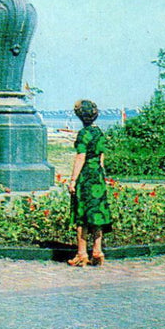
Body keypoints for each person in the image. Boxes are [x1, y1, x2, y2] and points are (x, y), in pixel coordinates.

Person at [67, 99, 112, 267]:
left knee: (82, 215)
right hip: (97, 177)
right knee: (97, 213)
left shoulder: (84, 134)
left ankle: (81, 253)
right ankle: (98, 250)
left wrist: (73, 180)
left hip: (85, 177)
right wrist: (102, 176)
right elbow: (101, 158)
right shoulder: (99, 133)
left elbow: (80, 157)